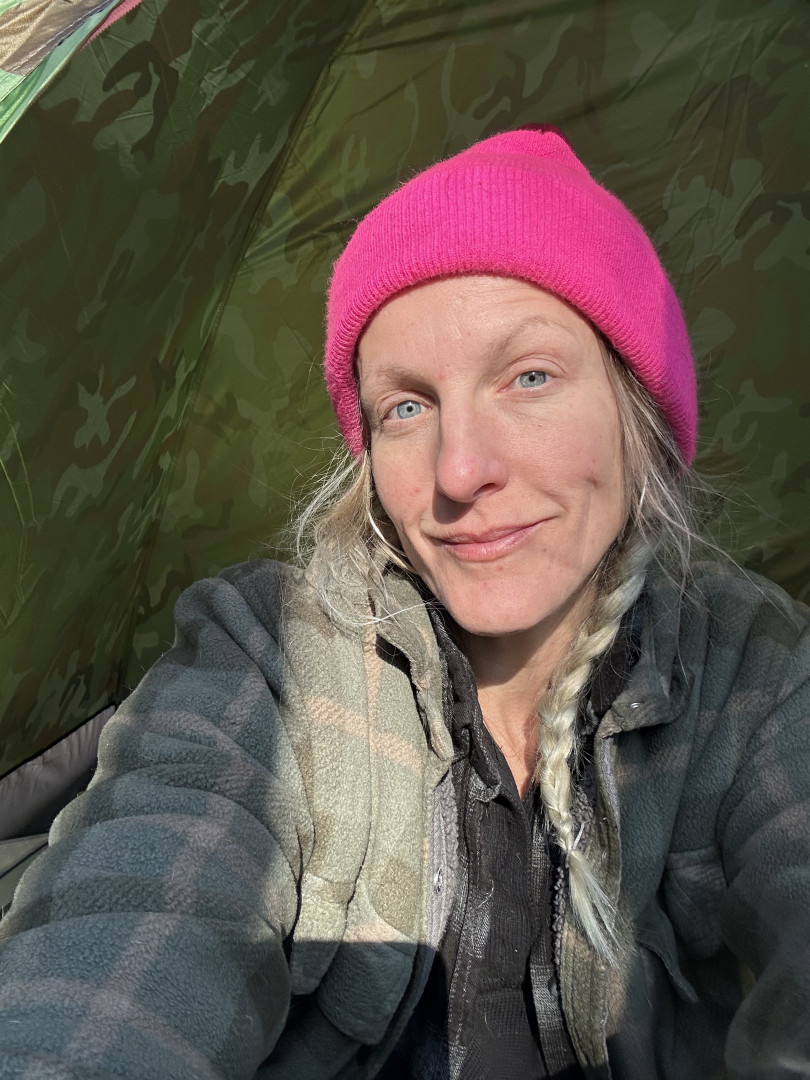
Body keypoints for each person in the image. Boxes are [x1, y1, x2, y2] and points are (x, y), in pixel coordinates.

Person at [0, 125, 808, 1080]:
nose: (459, 471)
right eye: (407, 407)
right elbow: (133, 932)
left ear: (639, 415)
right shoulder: (269, 653)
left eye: (530, 377)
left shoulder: (748, 666)